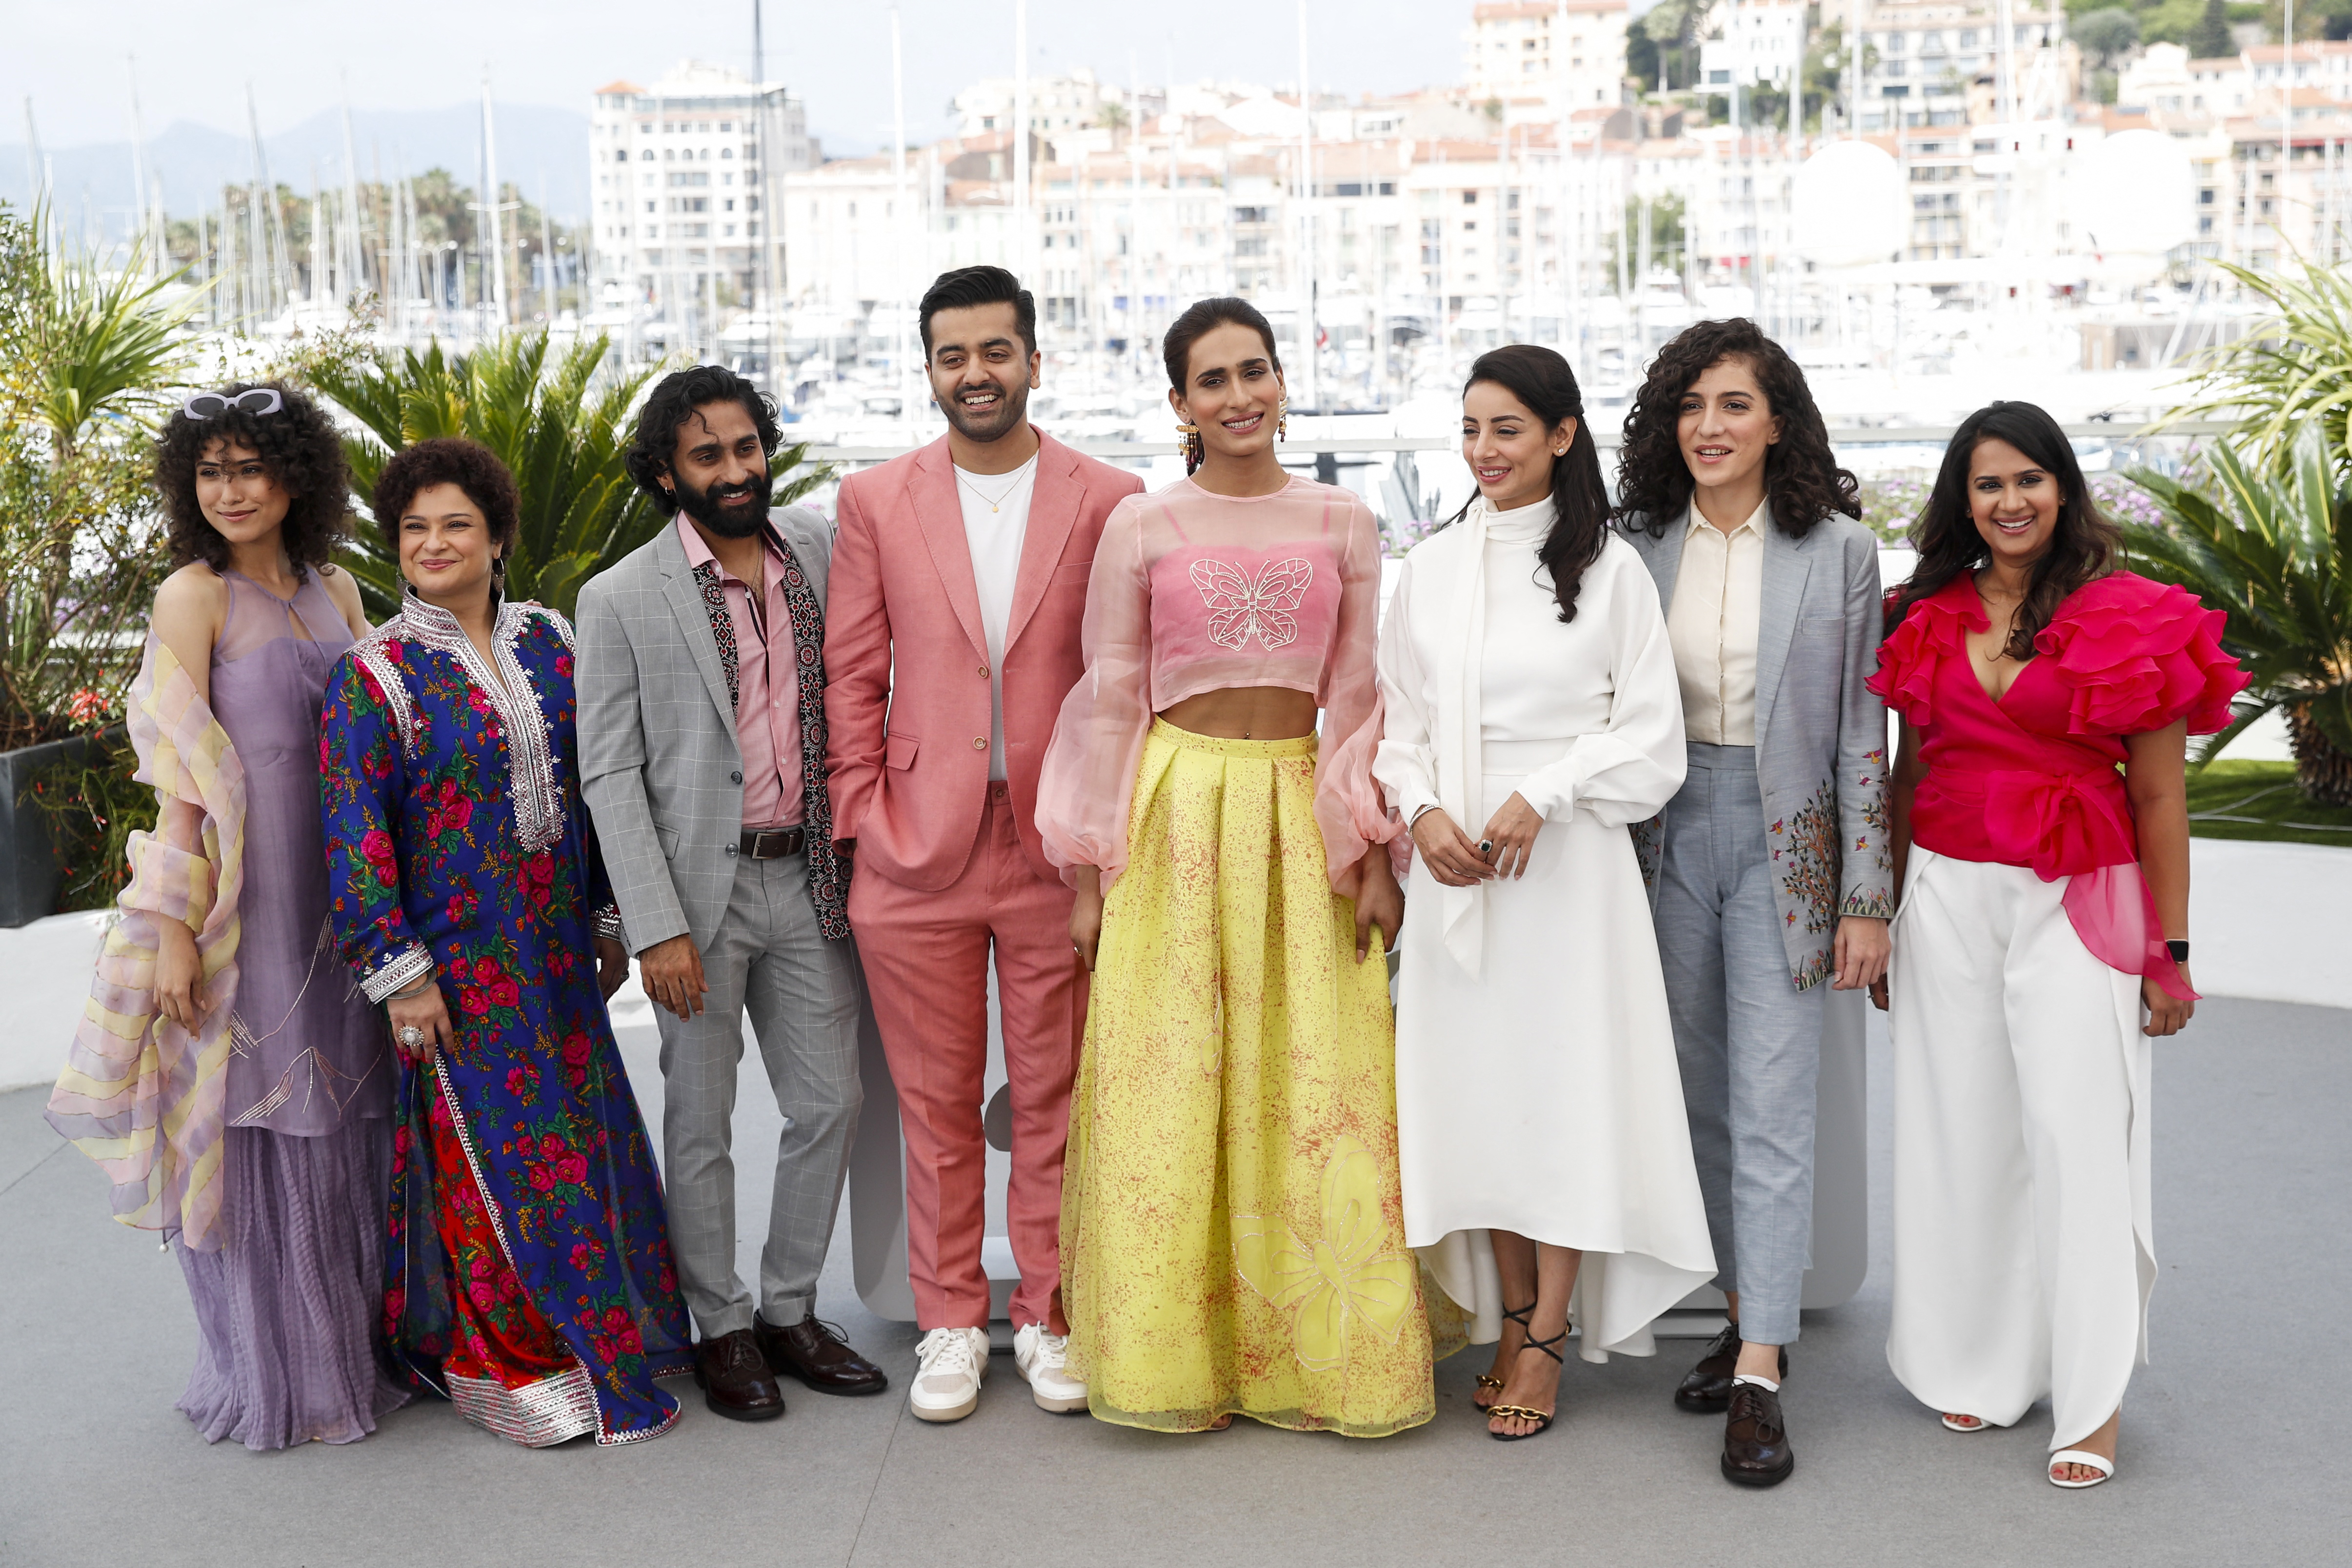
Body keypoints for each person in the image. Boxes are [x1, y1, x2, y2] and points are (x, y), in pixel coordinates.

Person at [1040, 296, 1439, 1437]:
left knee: (1313, 1074)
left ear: (1280, 380)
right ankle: (1177, 1350)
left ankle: (1313, 1354)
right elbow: (1109, 701)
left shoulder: (1344, 519)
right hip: (1173, 811)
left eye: (1252, 370)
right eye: (1210, 380)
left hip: (1299, 811)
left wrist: (1373, 854)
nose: (1237, 395)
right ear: (1179, 403)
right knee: (1169, 1081)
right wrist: (1088, 877)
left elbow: (1357, 700)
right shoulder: (1143, 524)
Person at [1870, 401, 2245, 1489]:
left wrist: (2171, 951)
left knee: (2077, 1140)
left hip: (2078, 892)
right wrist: (1882, 911)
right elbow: (1904, 775)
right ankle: (1985, 1364)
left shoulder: (2131, 615)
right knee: (1961, 1134)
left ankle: (2092, 1398)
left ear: (2064, 487)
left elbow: (2160, 797)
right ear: (1963, 499)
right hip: (1944, 893)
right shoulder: (1924, 611)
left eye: (2028, 478)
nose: (2010, 501)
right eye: (1987, 483)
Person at [48, 382, 405, 1450]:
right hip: (248, 903)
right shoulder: (192, 597)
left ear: (297, 476)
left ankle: (358, 1352)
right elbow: (177, 783)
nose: (231, 490)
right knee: (258, 1116)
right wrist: (168, 930)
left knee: (351, 1115)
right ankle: (279, 1374)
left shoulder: (338, 587)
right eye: (211, 472)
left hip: (347, 893)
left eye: (251, 468)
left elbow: (392, 725)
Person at [320, 437, 691, 1447]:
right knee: (501, 1156)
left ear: (497, 538)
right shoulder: (375, 676)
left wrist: (608, 914)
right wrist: (401, 974)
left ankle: (614, 1335)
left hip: (558, 954)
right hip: (458, 969)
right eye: (414, 528)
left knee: (580, 1140)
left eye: (457, 524)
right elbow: (354, 835)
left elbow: (599, 782)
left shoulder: (552, 643)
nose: (433, 543)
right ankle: (523, 1364)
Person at [1377, 345, 1716, 1441]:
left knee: (1562, 1094)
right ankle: (1514, 1310)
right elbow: (1398, 724)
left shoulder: (1610, 571)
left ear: (1562, 435)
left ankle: (1547, 1334)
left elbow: (1649, 737)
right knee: (1481, 1097)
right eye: (1470, 428)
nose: (1484, 450)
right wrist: (1422, 811)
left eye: (1508, 428)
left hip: (1566, 875)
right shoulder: (1428, 567)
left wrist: (1544, 792)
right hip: (1455, 872)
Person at [825, 266, 1143, 1423]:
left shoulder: (1110, 496)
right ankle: (950, 1319)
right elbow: (850, 671)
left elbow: (1125, 678)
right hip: (915, 845)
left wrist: (1106, 831)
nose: (975, 373)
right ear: (928, 369)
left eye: (995, 351)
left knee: (1057, 1093)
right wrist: (862, 813)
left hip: (1058, 844)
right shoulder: (875, 499)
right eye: (952, 355)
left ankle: (1049, 1313)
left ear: (1032, 361)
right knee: (935, 1104)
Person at [575, 366, 885, 1424]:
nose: (735, 468)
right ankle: (721, 1326)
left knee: (830, 1101)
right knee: (700, 1121)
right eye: (707, 455)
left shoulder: (820, 548)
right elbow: (610, 772)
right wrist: (652, 923)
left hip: (809, 878)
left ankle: (790, 1309)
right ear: (668, 474)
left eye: (746, 446)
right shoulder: (620, 596)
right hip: (694, 900)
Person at [1613, 319, 1893, 1487]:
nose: (1709, 425)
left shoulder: (1838, 551)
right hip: (1661, 837)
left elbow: (1858, 736)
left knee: (1774, 1104)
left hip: (1789, 846)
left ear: (1777, 420)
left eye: (1733, 403)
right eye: (1690, 405)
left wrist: (1866, 895)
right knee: (1697, 1105)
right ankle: (1743, 1314)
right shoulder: (1632, 544)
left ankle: (1762, 1371)